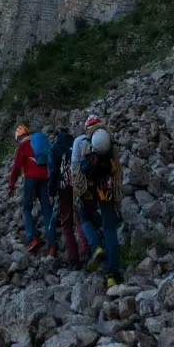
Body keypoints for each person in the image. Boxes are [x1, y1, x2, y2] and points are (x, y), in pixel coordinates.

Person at [72, 114, 123, 287]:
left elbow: (76, 168)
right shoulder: (111, 142)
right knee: (110, 229)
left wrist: (77, 191)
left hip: (88, 191)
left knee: (85, 219)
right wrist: (117, 197)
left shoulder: (83, 141)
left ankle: (96, 247)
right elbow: (117, 172)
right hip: (106, 190)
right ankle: (112, 275)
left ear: (87, 127)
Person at [8, 124, 56, 254]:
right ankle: (52, 245)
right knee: (47, 211)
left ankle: (32, 238)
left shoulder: (22, 147)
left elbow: (16, 168)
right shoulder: (38, 143)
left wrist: (11, 186)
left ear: (18, 138)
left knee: (27, 207)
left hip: (31, 179)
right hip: (46, 179)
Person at [48, 126, 89, 269]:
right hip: (78, 185)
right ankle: (86, 253)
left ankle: (73, 259)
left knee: (66, 223)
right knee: (79, 220)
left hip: (63, 187)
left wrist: (51, 193)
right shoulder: (76, 143)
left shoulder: (55, 147)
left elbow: (53, 172)